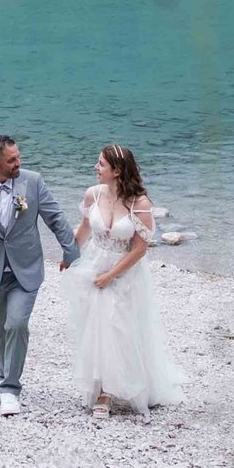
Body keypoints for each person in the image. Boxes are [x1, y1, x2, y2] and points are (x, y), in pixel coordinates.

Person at [0, 132, 80, 416]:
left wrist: (71, 252)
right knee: (0, 330)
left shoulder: (32, 182)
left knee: (16, 325)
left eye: (19, 157)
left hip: (26, 271)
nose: (18, 163)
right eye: (12, 160)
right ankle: (4, 378)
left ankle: (10, 388)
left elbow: (55, 217)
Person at [59, 143, 186, 415]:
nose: (96, 168)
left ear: (117, 171)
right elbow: (83, 231)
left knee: (118, 328)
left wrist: (111, 275)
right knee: (95, 327)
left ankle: (109, 393)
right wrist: (68, 255)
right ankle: (100, 385)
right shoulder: (92, 195)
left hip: (124, 272)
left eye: (101, 164)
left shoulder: (140, 204)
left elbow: (140, 248)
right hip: (94, 264)